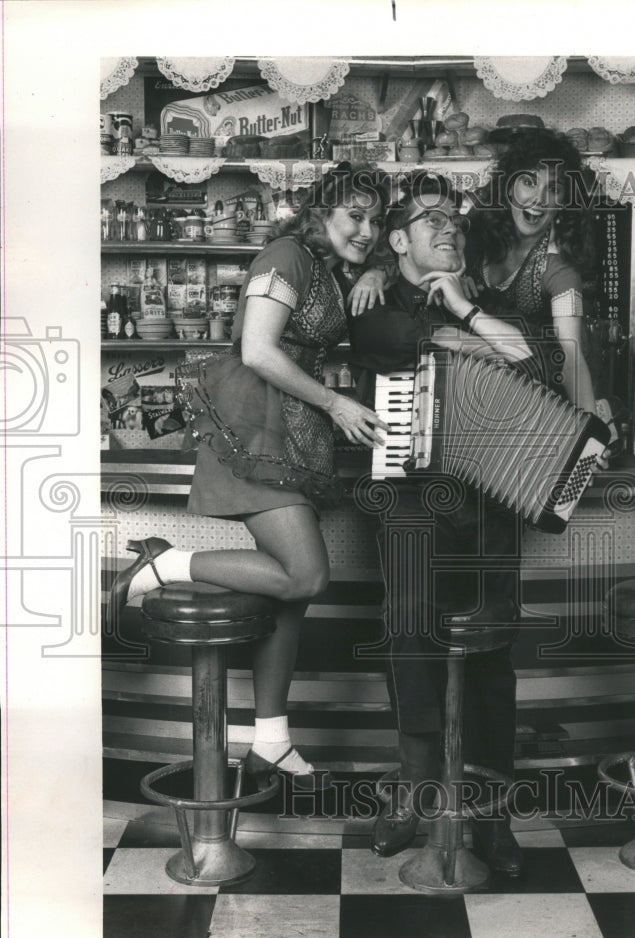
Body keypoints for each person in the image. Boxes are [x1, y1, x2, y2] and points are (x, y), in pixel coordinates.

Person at [108, 164, 389, 791]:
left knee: (288, 596)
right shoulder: (286, 253)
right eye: (354, 217)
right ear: (320, 214)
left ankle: (271, 742)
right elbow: (258, 349)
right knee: (306, 573)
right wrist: (337, 403)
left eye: (376, 221)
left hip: (292, 433)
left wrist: (374, 269)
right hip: (256, 424)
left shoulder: (331, 268)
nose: (367, 230)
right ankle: (163, 566)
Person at [348, 172, 542, 877]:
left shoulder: (487, 298)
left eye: (453, 219)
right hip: (409, 493)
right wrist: (469, 331)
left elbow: (534, 362)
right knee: (410, 624)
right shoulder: (371, 305)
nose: (448, 228)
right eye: (430, 219)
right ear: (397, 240)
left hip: (490, 493)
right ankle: (417, 787)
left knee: (496, 645)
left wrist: (464, 306)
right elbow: (440, 343)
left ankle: (489, 813)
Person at [467, 129, 599, 413]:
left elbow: (571, 355)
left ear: (564, 201)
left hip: (530, 401)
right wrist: (378, 274)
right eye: (529, 182)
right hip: (464, 382)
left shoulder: (559, 271)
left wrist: (593, 433)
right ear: (508, 187)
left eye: (553, 188)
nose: (539, 198)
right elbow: (417, 254)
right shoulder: (472, 232)